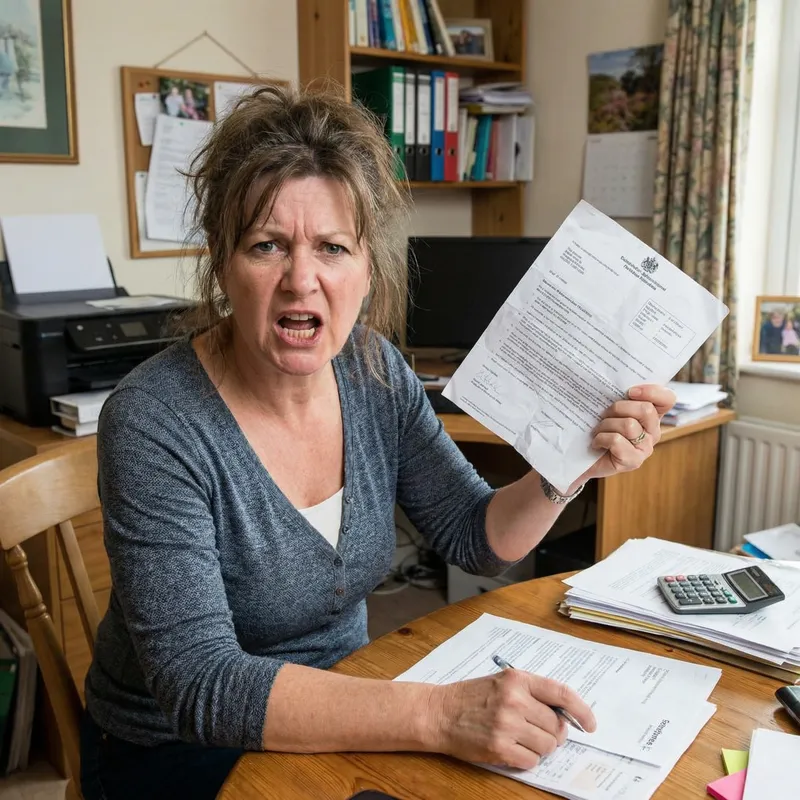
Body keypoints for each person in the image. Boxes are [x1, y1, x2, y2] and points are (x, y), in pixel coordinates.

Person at [80, 83, 675, 800]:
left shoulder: (374, 372)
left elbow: (474, 534)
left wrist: (570, 462)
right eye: (268, 245)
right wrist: (438, 712)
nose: (303, 282)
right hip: (175, 750)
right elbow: (200, 685)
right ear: (222, 261)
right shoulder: (154, 420)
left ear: (367, 268)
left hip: (348, 705)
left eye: (332, 247)